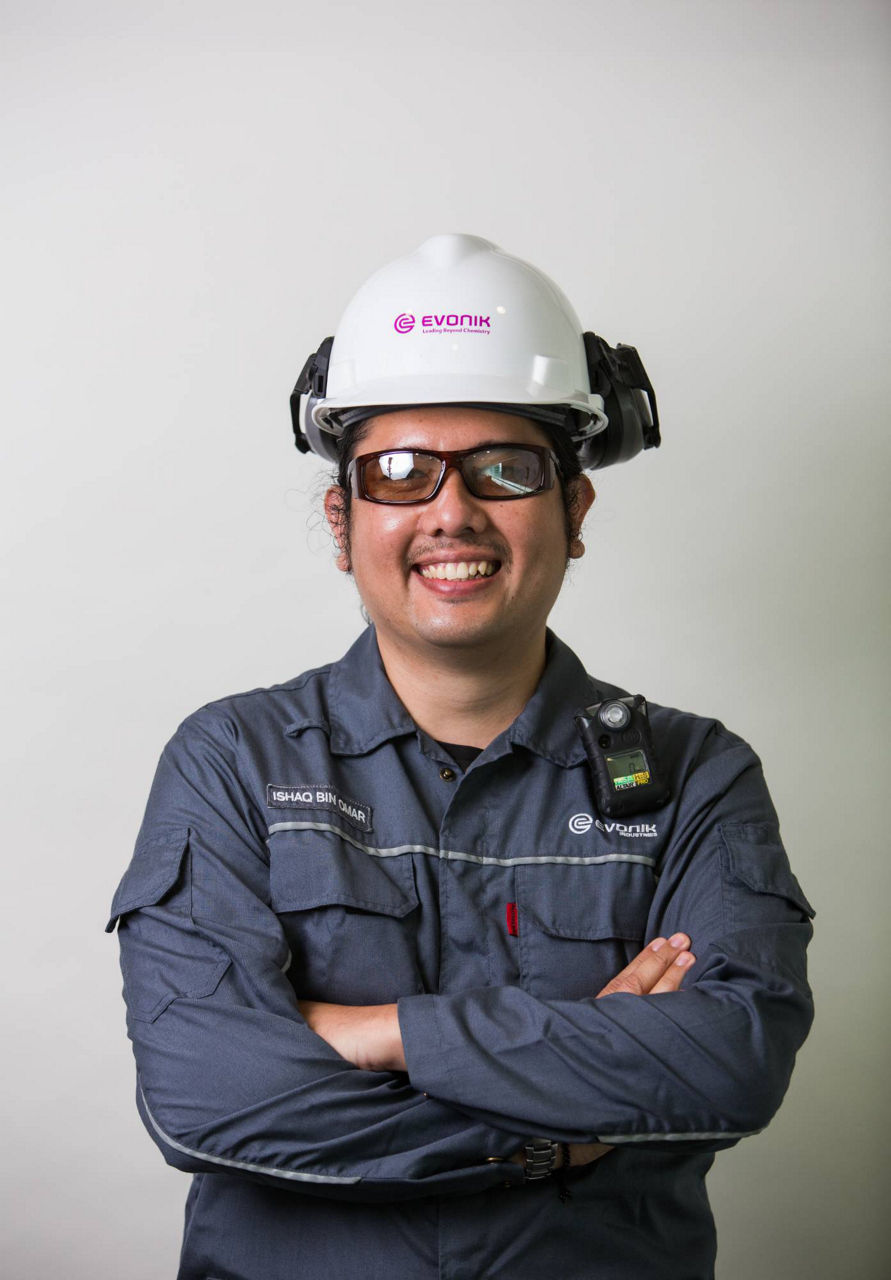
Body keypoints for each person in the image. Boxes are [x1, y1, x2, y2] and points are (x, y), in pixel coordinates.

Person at [108, 234, 814, 1279]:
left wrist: (381, 1031)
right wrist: (558, 1136)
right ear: (343, 523)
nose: (451, 510)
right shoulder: (232, 761)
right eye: (400, 473)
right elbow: (210, 1099)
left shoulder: (695, 774)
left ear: (573, 511)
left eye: (505, 467)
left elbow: (730, 1059)